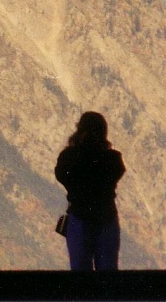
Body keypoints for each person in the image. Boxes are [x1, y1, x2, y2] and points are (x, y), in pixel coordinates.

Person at [54, 111, 125, 271]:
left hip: (79, 219)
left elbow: (62, 174)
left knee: (80, 273)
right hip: (107, 218)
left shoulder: (69, 158)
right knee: (107, 274)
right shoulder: (112, 160)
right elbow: (115, 172)